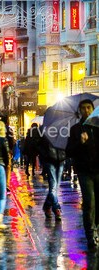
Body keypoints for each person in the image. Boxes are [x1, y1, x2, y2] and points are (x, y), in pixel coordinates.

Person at [66, 99, 99, 249]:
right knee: (89, 203)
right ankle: (90, 235)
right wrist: (80, 142)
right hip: (84, 171)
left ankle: (96, 228)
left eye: (88, 108)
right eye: (83, 108)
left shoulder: (97, 127)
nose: (86, 111)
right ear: (79, 111)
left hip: (98, 169)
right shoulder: (76, 129)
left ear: (93, 109)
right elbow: (69, 151)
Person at [37, 133, 66, 221]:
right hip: (50, 161)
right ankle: (56, 208)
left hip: (60, 160)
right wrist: (46, 155)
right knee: (53, 186)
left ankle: (47, 206)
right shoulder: (45, 130)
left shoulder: (63, 131)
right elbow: (38, 145)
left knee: (55, 187)